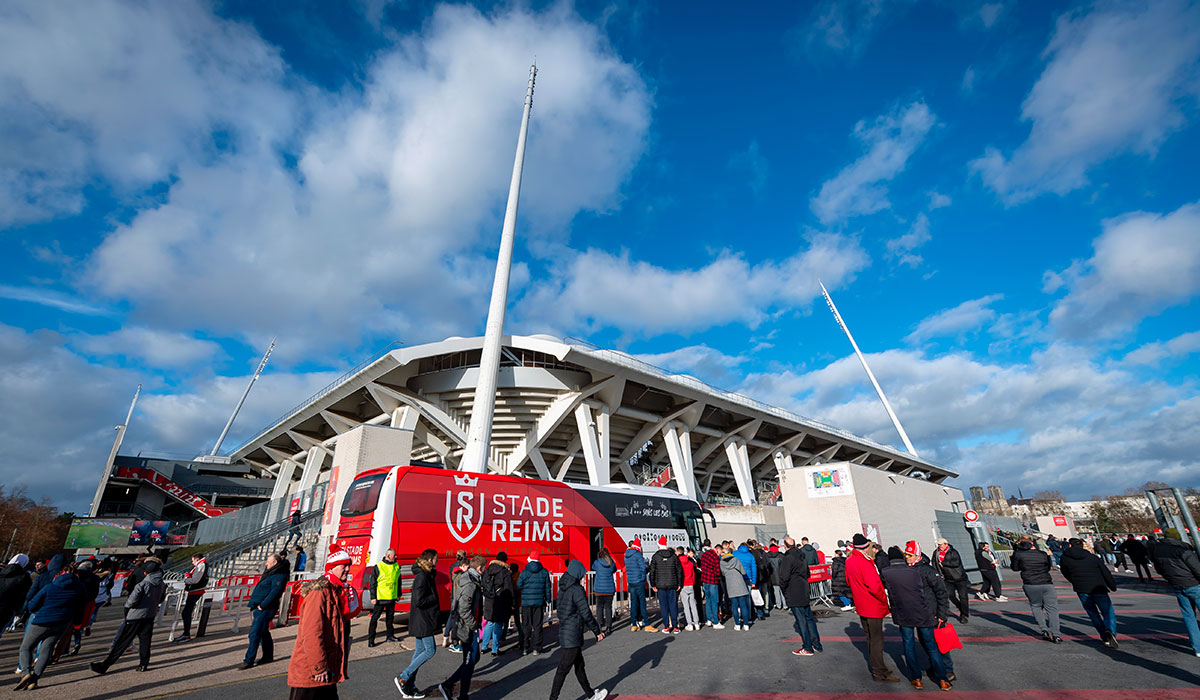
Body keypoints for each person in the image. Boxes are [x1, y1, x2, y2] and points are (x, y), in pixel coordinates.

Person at [288, 544, 358, 700]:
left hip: (327, 670)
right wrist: (318, 667)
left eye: (348, 566)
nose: (347, 570)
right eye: (343, 566)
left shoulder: (335, 591)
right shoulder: (319, 594)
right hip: (312, 674)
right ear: (331, 568)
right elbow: (312, 634)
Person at [878, 545, 952, 690]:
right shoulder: (913, 571)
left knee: (914, 646)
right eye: (906, 555)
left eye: (910, 555)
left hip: (908, 614)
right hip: (922, 613)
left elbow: (941, 593)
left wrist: (942, 614)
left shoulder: (889, 572)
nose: (907, 557)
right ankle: (939, 678)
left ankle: (923, 678)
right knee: (929, 646)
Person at [90, 556, 165, 675]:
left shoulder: (143, 584)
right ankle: (143, 663)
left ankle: (105, 665)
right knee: (145, 641)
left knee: (123, 641)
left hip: (136, 615)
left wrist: (127, 608)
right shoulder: (161, 584)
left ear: (146, 573)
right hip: (150, 614)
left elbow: (132, 600)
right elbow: (161, 599)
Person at [17, 560, 84, 690]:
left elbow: (32, 605)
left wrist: (35, 610)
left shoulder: (51, 586)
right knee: (47, 649)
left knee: (26, 648)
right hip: (62, 622)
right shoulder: (80, 588)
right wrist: (76, 622)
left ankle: (26, 674)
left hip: (42, 620)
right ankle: (35, 679)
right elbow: (81, 608)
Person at [548, 560, 608, 700]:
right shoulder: (577, 590)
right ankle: (553, 698)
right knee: (563, 669)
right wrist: (597, 631)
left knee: (579, 666)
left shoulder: (563, 586)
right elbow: (586, 613)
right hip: (573, 632)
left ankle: (591, 694)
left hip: (566, 630)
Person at [845, 534, 898, 682]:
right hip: (872, 605)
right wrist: (884, 601)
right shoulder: (865, 562)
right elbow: (875, 587)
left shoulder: (849, 561)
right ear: (865, 548)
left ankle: (878, 666)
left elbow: (849, 581)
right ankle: (879, 671)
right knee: (877, 640)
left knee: (870, 638)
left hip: (861, 605)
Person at [436, 556, 486, 700]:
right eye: (484, 567)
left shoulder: (473, 580)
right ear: (479, 568)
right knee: (469, 662)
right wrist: (473, 625)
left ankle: (449, 684)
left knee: (474, 658)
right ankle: (460, 694)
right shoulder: (470, 584)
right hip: (467, 629)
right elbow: (464, 609)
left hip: (469, 627)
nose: (485, 569)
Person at [1060, 537, 1119, 648]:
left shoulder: (1065, 558)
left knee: (1093, 613)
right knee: (1107, 612)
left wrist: (1074, 581)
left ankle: (1104, 636)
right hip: (1098, 587)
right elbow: (1105, 572)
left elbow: (1065, 572)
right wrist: (1112, 585)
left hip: (1081, 588)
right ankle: (1110, 631)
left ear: (1070, 546)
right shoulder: (1092, 557)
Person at [396, 549, 439, 698]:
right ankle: (403, 677)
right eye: (436, 559)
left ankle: (409, 684)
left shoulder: (426, 574)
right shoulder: (422, 577)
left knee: (419, 651)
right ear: (429, 560)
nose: (437, 561)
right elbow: (419, 600)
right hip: (423, 620)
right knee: (430, 650)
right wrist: (433, 599)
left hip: (422, 619)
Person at [1149, 530, 1200, 657]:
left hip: (1177, 585)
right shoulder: (1183, 550)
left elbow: (1159, 570)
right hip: (1194, 585)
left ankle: (1197, 648)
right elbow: (1197, 569)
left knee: (1189, 618)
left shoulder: (1157, 551)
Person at [238, 553, 290, 669]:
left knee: (254, 633)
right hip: (260, 607)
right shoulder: (272, 572)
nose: (266, 563)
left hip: (265, 608)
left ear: (275, 563)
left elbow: (275, 592)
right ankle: (267, 656)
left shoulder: (279, 574)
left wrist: (262, 605)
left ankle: (248, 660)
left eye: (268, 561)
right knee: (263, 632)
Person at [1011, 537, 1062, 643]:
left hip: (1030, 583)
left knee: (1036, 606)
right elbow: (1048, 567)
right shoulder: (1042, 554)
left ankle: (1044, 630)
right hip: (1046, 582)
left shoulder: (1018, 554)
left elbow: (1015, 568)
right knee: (1052, 609)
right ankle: (1056, 634)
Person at [779, 537, 821, 656]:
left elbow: (784, 577)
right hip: (803, 588)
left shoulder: (788, 558)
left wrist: (785, 590)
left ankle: (808, 647)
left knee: (801, 621)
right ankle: (816, 644)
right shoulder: (801, 555)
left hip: (794, 591)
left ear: (785, 546)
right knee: (809, 619)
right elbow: (807, 573)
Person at [480, 552, 516, 655]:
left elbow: (483, 584)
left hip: (489, 600)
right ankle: (495, 649)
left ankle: (484, 647)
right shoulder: (505, 572)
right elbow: (509, 590)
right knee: (498, 624)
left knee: (489, 623)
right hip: (501, 601)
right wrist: (512, 603)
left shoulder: (488, 570)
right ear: (505, 560)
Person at [517, 551, 551, 654]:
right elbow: (547, 588)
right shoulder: (544, 572)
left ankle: (525, 648)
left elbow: (519, 585)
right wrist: (548, 599)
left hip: (526, 603)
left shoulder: (524, 572)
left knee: (526, 625)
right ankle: (537, 648)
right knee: (538, 626)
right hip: (539, 602)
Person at [367, 548, 402, 647]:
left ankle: (390, 636)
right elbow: (373, 583)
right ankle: (371, 640)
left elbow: (398, 581)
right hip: (380, 598)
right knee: (374, 619)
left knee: (390, 619)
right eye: (394, 555)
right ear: (388, 556)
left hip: (391, 597)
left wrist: (399, 594)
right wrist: (373, 597)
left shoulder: (396, 566)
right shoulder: (378, 566)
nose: (396, 557)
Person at [648, 536, 683, 634]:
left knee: (664, 606)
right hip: (672, 584)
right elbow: (679, 570)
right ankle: (676, 626)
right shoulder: (673, 556)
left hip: (661, 585)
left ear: (659, 546)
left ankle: (666, 626)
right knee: (673, 605)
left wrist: (653, 584)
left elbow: (652, 572)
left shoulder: (655, 556)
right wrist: (679, 583)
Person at [932, 539, 970, 622]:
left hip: (959, 578)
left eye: (941, 544)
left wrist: (944, 563)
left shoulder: (953, 552)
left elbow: (956, 563)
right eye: (938, 545)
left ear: (946, 544)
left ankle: (964, 615)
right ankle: (960, 607)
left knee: (963, 597)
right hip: (947, 579)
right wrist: (938, 574)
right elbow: (934, 564)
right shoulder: (936, 553)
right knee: (950, 595)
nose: (940, 546)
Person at [177, 553, 207, 642]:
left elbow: (195, 580)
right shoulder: (201, 565)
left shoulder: (201, 566)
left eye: (193, 560)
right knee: (186, 612)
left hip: (195, 591)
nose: (192, 562)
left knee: (186, 612)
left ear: (197, 559)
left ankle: (186, 634)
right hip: (195, 591)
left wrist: (186, 579)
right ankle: (186, 633)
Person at [720, 545, 751, 630]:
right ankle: (746, 624)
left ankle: (737, 624)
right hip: (740, 584)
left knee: (734, 605)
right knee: (743, 605)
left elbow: (723, 573)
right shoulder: (736, 560)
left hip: (730, 585)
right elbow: (743, 572)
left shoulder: (721, 563)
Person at [0, 554, 32, 639]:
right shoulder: (24, 577)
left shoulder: (2, 571)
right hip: (6, 610)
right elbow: (22, 597)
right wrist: (18, 610)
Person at [624, 540, 653, 632]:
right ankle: (647, 624)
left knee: (633, 603)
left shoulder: (626, 555)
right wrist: (643, 576)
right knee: (642, 603)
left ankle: (633, 624)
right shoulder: (638, 554)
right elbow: (643, 567)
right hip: (639, 582)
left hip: (631, 582)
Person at [590, 548, 617, 637]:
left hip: (599, 590)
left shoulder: (597, 563)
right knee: (608, 608)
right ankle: (609, 627)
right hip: (609, 590)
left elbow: (592, 567)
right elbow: (614, 569)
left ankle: (600, 625)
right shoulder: (611, 562)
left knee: (599, 608)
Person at [444, 551, 467, 650]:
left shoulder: (453, 566)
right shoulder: (462, 571)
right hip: (459, 596)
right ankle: (456, 640)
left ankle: (445, 637)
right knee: (458, 619)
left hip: (453, 594)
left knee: (452, 616)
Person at [699, 541, 724, 629]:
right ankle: (715, 622)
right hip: (713, 581)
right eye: (721, 551)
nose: (721, 553)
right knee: (715, 601)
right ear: (718, 550)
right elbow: (717, 571)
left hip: (705, 580)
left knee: (708, 600)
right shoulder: (715, 557)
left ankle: (709, 620)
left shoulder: (705, 554)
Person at [678, 547, 700, 631]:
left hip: (683, 585)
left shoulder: (679, 563)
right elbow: (693, 575)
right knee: (693, 605)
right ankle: (697, 623)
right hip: (691, 584)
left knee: (686, 606)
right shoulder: (690, 563)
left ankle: (690, 624)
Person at [767, 544, 784, 611]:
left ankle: (778, 605)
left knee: (776, 591)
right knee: (782, 591)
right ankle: (785, 605)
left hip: (773, 576)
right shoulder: (781, 556)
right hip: (781, 575)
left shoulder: (768, 556)